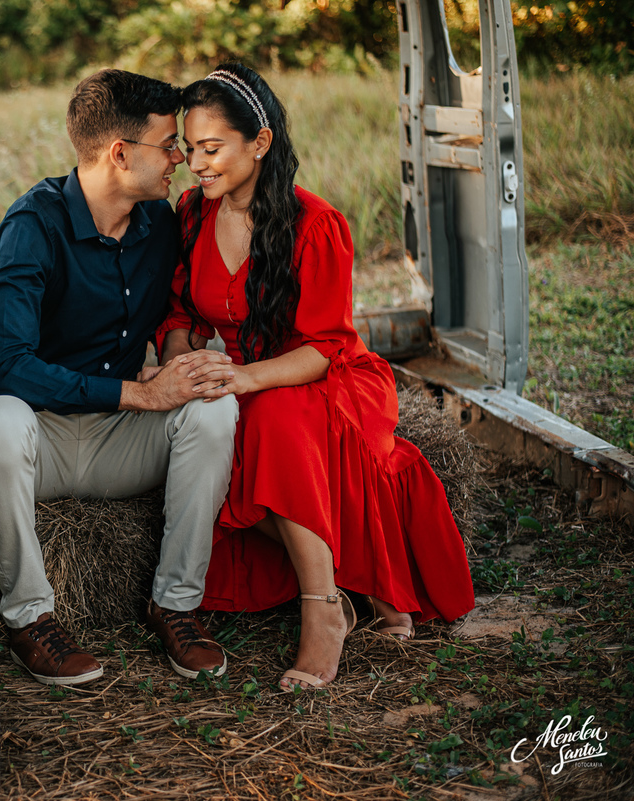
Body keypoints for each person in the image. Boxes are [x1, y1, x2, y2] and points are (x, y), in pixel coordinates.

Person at [155, 63, 475, 691]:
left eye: (211, 149)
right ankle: (356, 585)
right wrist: (179, 364)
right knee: (204, 433)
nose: (195, 164)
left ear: (260, 143)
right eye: (189, 149)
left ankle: (322, 609)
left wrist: (245, 380)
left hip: (324, 376)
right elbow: (181, 314)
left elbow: (324, 346)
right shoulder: (191, 214)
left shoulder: (315, 223)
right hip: (246, 372)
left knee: (270, 421)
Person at [0, 69, 241, 686]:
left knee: (214, 407)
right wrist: (141, 392)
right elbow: (5, 366)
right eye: (168, 145)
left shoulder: (161, 224)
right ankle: (29, 618)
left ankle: (175, 606)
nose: (180, 159)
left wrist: (177, 359)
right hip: (42, 441)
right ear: (120, 153)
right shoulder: (32, 225)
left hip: (121, 442)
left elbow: (184, 308)